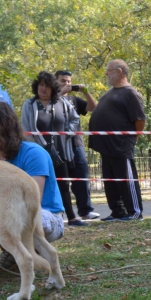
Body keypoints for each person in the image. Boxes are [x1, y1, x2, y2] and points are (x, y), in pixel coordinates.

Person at [0, 102, 66, 268]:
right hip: (3, 216)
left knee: (22, 218)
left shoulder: (33, 153)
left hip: (44, 217)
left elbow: (32, 203)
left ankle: (28, 249)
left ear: (5, 124)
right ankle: (14, 249)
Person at [21, 71, 87, 227]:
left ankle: (71, 217)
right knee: (37, 186)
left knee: (63, 184)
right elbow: (26, 130)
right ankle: (36, 219)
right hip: (38, 154)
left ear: (53, 88)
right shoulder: (29, 104)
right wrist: (38, 148)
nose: (43, 89)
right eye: (41, 85)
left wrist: (68, 133)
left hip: (60, 152)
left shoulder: (62, 103)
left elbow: (74, 119)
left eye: (47, 85)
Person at [88, 59, 145, 221]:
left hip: (120, 146)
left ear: (119, 71)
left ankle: (135, 212)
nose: (106, 73)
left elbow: (139, 120)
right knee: (110, 181)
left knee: (126, 180)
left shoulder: (130, 93)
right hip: (106, 147)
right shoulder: (112, 91)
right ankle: (117, 211)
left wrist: (132, 139)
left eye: (109, 70)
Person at [55, 70, 99, 220]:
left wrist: (85, 91)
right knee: (61, 179)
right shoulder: (51, 99)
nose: (67, 84)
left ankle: (85, 210)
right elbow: (47, 109)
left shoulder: (74, 100)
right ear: (55, 82)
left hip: (76, 143)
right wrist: (60, 93)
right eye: (63, 81)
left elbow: (93, 107)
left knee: (81, 175)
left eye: (69, 81)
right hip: (59, 145)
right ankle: (60, 211)